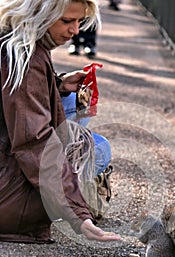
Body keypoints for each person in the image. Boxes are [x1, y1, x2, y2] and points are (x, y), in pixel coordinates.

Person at [0, 0, 121, 244]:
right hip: (7, 199)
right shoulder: (25, 57)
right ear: (39, 15)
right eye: (67, 21)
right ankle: (82, 190)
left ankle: (74, 184)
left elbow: (16, 97)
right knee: (99, 149)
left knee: (70, 106)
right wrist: (78, 214)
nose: (75, 31)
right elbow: (34, 143)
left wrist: (58, 85)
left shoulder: (12, 40)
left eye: (78, 21)